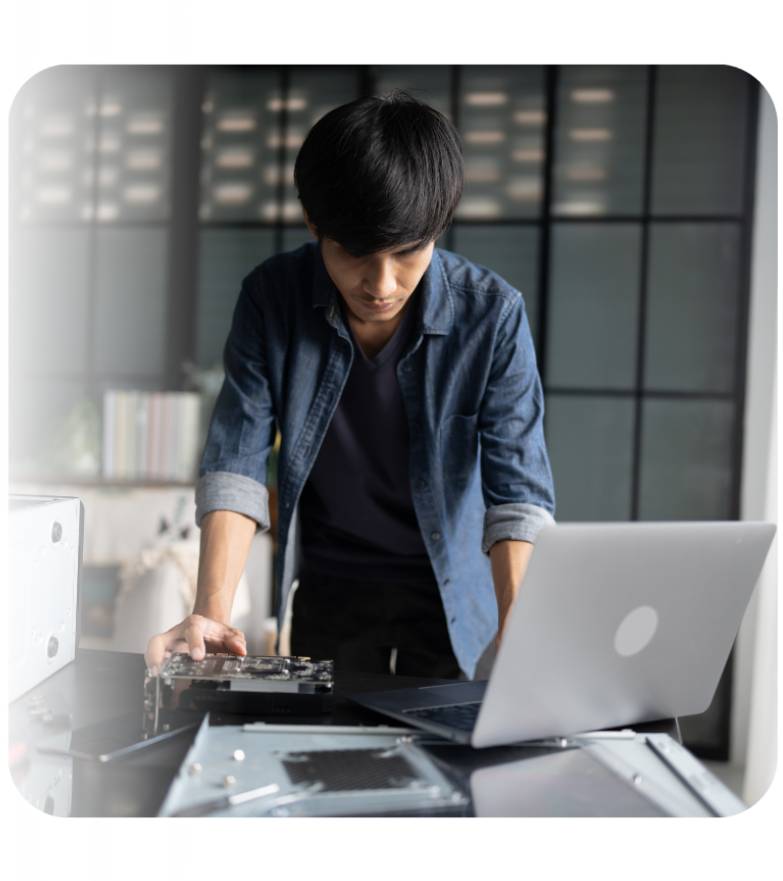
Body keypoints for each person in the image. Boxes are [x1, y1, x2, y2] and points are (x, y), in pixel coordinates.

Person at [145, 89, 555, 680]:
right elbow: (237, 463)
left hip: (455, 592)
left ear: (438, 228)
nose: (382, 284)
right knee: (324, 757)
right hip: (332, 585)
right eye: (357, 253)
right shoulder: (272, 298)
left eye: (409, 252)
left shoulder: (493, 315)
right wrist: (211, 614)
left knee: (452, 755)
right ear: (315, 222)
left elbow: (518, 492)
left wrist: (518, 622)